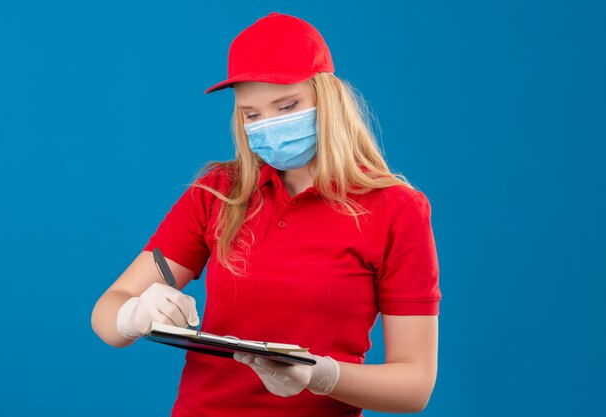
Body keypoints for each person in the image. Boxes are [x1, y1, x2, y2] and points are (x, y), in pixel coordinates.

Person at [91, 11, 442, 417]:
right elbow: (107, 310)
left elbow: (415, 386)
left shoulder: (396, 210)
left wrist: (320, 375)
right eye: (252, 114)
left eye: (287, 105)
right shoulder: (219, 192)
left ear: (326, 98)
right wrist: (132, 316)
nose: (269, 126)